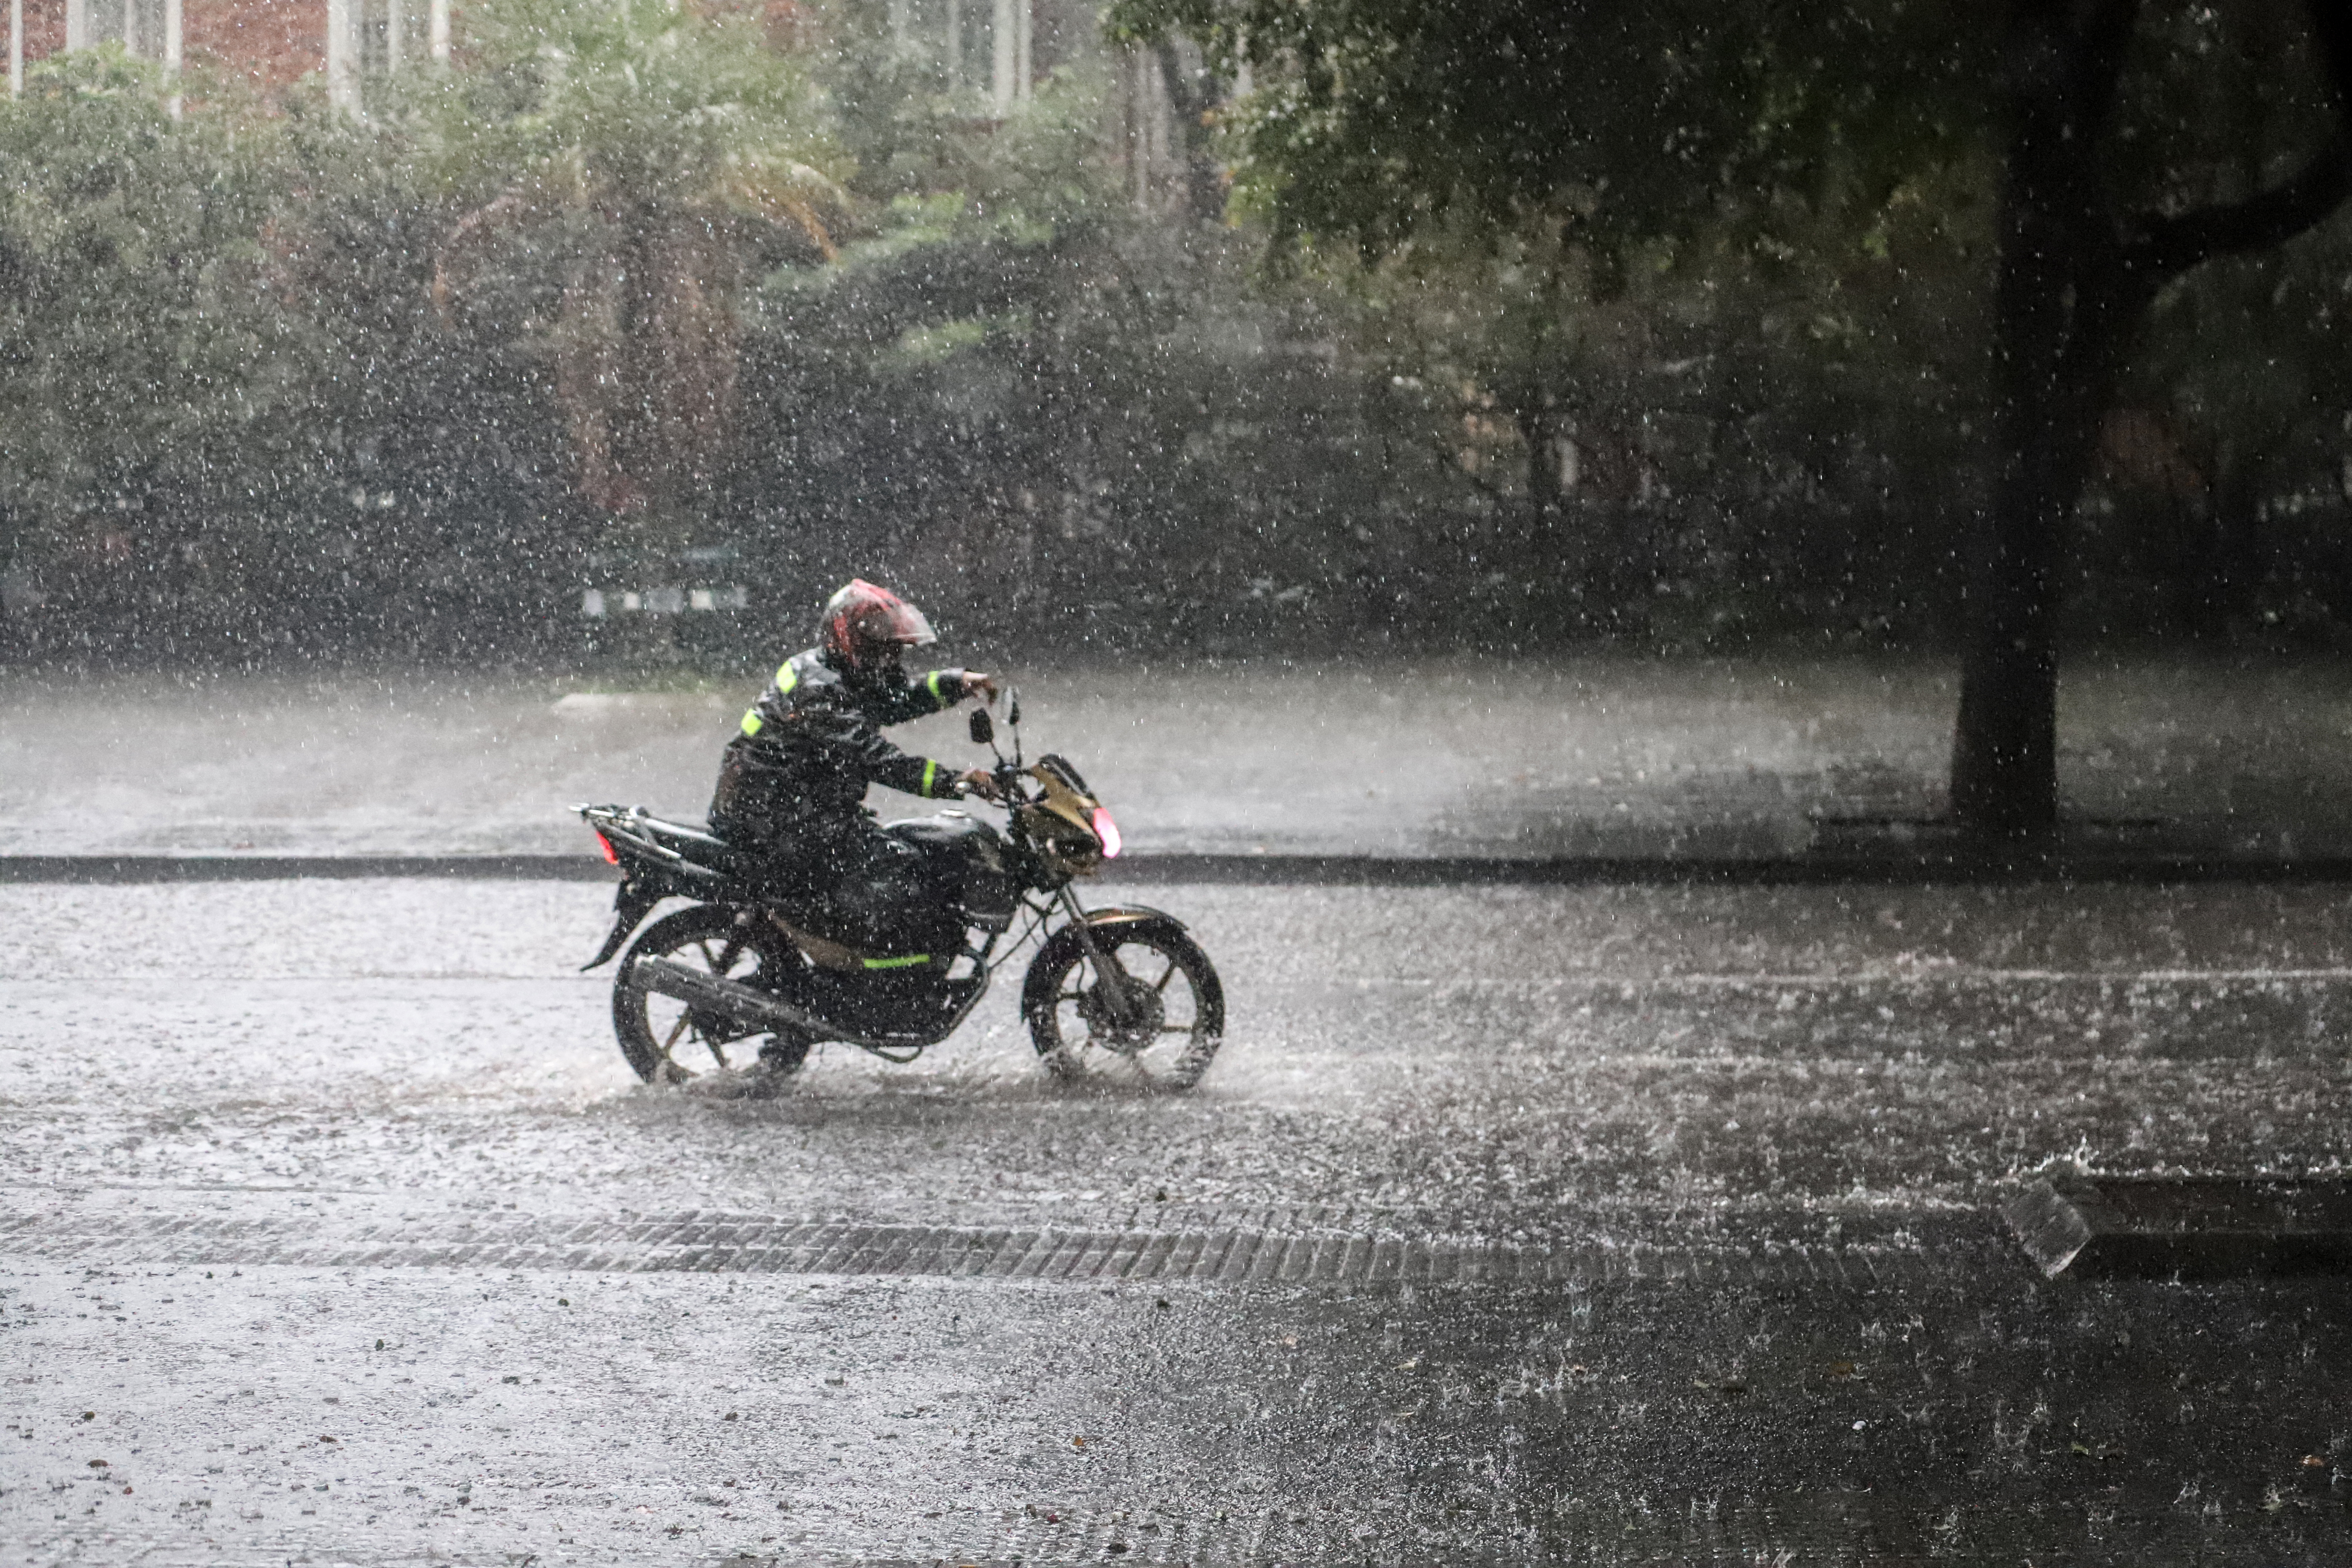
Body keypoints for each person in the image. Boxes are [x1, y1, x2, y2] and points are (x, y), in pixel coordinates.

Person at [707, 579, 1000, 943]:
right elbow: (874, 758)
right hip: (772, 814)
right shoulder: (817, 687)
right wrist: (954, 781)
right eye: (884, 648)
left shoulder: (839, 672)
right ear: (850, 637)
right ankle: (858, 975)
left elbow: (896, 700)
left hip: (801, 806)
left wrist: (958, 683)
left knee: (901, 855)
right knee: (893, 869)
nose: (891, 658)